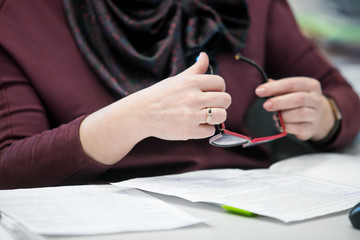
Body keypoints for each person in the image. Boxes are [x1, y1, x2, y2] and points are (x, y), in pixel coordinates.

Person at [0, 0, 359, 190]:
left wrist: (324, 114)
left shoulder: (251, 4)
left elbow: (342, 97)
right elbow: (10, 169)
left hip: (250, 206)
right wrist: (129, 121)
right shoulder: (19, 15)